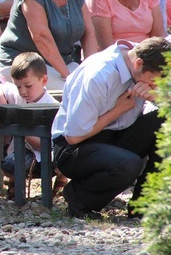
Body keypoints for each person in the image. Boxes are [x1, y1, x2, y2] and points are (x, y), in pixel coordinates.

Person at [52, 37, 170, 219]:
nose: (156, 86)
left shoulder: (141, 57)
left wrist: (158, 97)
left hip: (114, 135)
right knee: (128, 164)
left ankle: (144, 207)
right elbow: (73, 136)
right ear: (139, 64)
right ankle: (78, 198)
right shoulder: (99, 74)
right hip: (74, 147)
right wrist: (117, 111)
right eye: (155, 81)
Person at [0, 52, 61, 196]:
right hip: (23, 152)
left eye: (28, 86)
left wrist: (22, 130)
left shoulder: (53, 107)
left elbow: (48, 145)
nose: (23, 92)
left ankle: (61, 178)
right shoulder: (19, 96)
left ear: (44, 80)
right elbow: (1, 88)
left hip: (47, 155)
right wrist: (2, 106)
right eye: (19, 87)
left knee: (62, 161)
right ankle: (16, 182)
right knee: (8, 165)